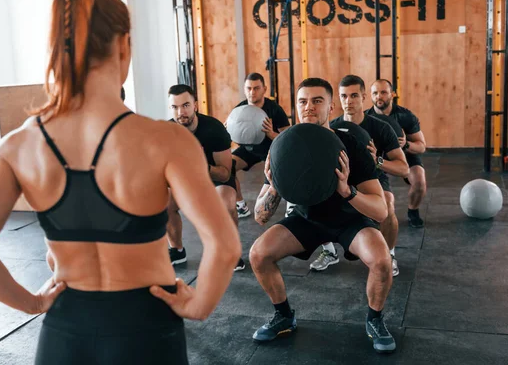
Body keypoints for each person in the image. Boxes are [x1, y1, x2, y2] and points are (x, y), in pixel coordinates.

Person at [0, 0, 241, 365]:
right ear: (124, 46)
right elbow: (225, 246)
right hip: (148, 328)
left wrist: (33, 303)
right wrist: (199, 305)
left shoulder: (18, 146)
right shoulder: (166, 140)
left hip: (65, 332)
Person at [251, 78, 395, 354]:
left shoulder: (352, 145)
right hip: (307, 220)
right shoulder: (284, 147)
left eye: (317, 101)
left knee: (381, 261)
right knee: (259, 254)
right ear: (296, 107)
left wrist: (347, 191)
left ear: (330, 107)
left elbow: (381, 209)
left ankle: (375, 320)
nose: (309, 107)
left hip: (349, 219)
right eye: (303, 101)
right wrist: (275, 187)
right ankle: (283, 316)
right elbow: (260, 216)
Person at [309, 75, 409, 277]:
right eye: (344, 96)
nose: (349, 101)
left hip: (372, 177)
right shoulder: (332, 127)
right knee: (312, 198)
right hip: (338, 179)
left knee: (388, 202)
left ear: (364, 97)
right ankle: (329, 251)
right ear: (337, 99)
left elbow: (404, 168)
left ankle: (389, 254)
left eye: (354, 95)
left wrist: (377, 161)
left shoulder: (381, 127)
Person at [167, 84, 245, 270]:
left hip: (215, 176)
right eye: (175, 107)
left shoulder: (214, 129)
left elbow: (226, 173)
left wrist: (201, 165)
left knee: (226, 202)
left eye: (185, 105)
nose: (180, 112)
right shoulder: (168, 131)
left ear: (195, 105)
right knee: (163, 202)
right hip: (186, 179)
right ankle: (177, 251)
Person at [366, 79, 427, 228]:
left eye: (383, 92)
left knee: (419, 181)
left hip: (403, 154)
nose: (379, 96)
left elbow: (421, 146)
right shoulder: (365, 117)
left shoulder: (405, 116)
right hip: (378, 156)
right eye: (375, 93)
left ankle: (413, 211)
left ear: (392, 94)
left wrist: (406, 144)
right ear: (370, 96)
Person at [231, 73, 290, 218]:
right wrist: (229, 131)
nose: (252, 92)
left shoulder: (275, 109)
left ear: (264, 89)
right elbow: (236, 139)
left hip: (272, 151)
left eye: (256, 88)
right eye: (249, 88)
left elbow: (289, 141)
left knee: (286, 171)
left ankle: (292, 206)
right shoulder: (240, 109)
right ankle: (241, 206)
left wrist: (270, 133)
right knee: (228, 166)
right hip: (249, 150)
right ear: (244, 89)